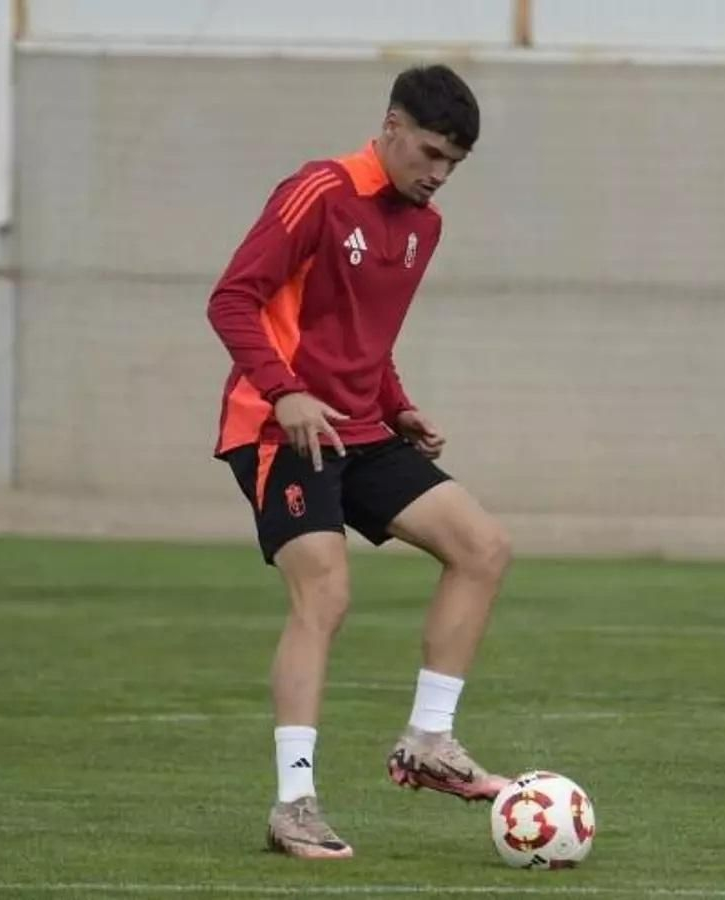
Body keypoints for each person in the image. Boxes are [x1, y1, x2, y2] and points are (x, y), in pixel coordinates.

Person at [207, 64, 514, 860]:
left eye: (454, 164)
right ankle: (294, 804)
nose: (440, 175)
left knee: (482, 548)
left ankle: (429, 741)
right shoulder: (318, 190)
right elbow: (232, 299)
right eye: (432, 153)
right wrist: (283, 393)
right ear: (390, 125)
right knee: (326, 594)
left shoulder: (423, 225)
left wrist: (398, 403)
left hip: (362, 428)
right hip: (279, 428)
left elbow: (362, 336)